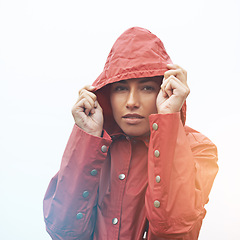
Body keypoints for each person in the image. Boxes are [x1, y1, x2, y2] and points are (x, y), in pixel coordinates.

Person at [43, 27, 218, 240]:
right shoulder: (95, 147)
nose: (132, 102)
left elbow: (172, 227)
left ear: (165, 90)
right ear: (106, 94)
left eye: (146, 88)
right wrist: (87, 137)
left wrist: (168, 120)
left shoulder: (198, 148)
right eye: (120, 88)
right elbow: (63, 229)